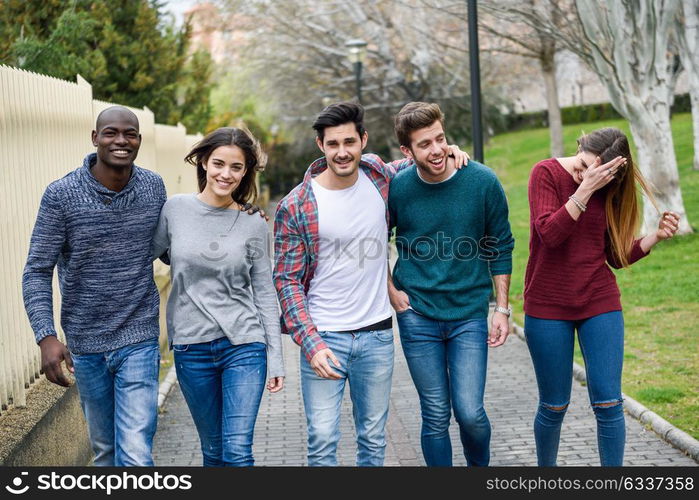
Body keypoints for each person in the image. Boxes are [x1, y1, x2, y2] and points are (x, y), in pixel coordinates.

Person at [273, 101, 467, 466]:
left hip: (377, 334)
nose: (342, 152)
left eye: (350, 142)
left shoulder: (378, 175)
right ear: (321, 146)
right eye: (333, 144)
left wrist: (448, 150)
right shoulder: (297, 205)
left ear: (363, 140)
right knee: (322, 438)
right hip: (324, 336)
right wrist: (310, 343)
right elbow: (286, 281)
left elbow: (419, 159)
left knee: (373, 440)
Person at [524, 127, 680, 466]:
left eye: (596, 173)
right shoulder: (545, 173)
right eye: (582, 166)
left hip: (599, 300)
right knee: (554, 405)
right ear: (579, 146)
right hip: (547, 305)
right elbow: (549, 234)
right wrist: (584, 188)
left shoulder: (607, 186)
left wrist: (654, 237)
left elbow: (613, 255)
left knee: (609, 403)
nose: (585, 175)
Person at [22, 106, 166, 466]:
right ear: (95, 138)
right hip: (86, 345)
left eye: (129, 134)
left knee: (135, 453)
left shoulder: (153, 187)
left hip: (139, 336)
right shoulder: (62, 195)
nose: (121, 140)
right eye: (111, 133)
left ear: (139, 140)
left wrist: (233, 218)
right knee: (105, 454)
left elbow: (171, 249)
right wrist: (46, 336)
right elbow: (37, 270)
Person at [387, 102, 514, 466]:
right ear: (407, 152)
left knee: (470, 413)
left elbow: (501, 244)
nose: (437, 149)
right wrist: (390, 291)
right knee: (435, 414)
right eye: (424, 144)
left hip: (469, 314)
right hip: (417, 315)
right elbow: (375, 235)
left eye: (440, 139)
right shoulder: (397, 187)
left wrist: (502, 309)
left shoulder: (482, 181)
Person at [152, 127, 284, 467]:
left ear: (246, 172)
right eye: (219, 164)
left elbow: (264, 290)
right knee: (213, 453)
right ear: (204, 163)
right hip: (190, 348)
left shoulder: (253, 223)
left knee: (237, 452)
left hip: (243, 345)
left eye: (236, 167)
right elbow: (152, 256)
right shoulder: (175, 210)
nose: (226, 174)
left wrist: (276, 356)